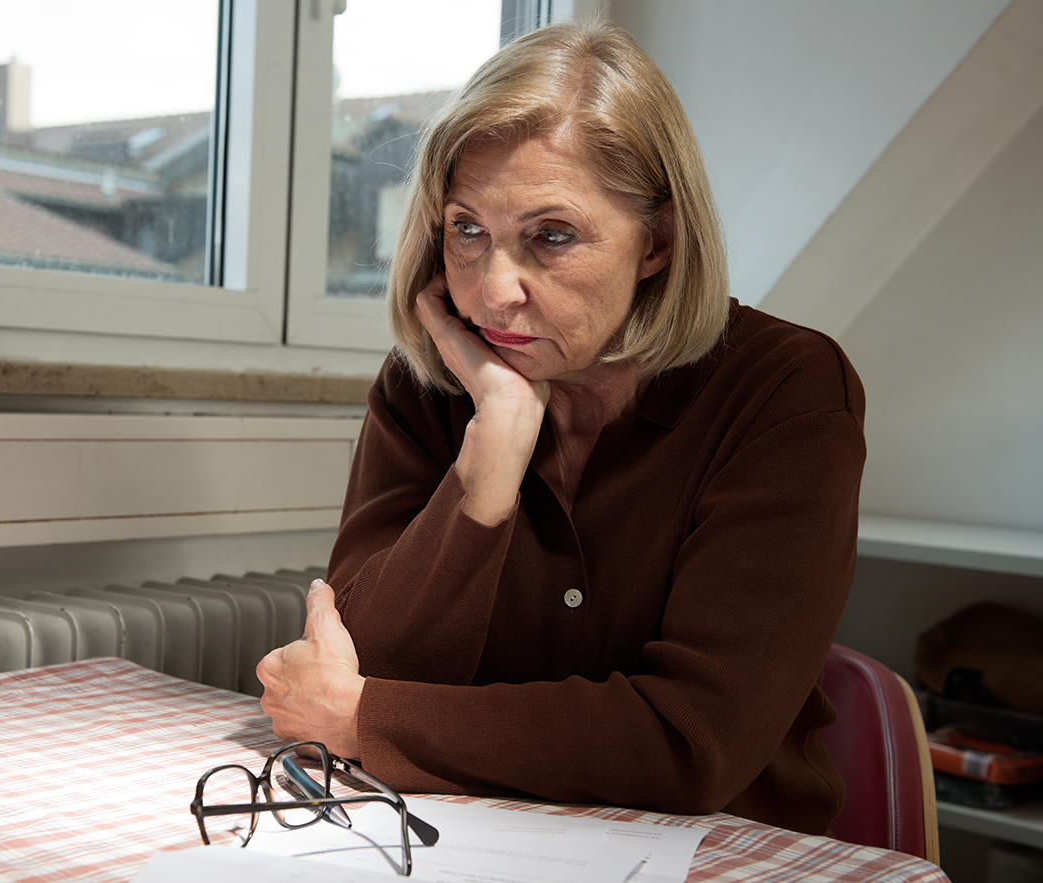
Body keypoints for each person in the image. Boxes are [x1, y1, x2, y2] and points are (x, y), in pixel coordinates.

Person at [256, 19, 865, 836]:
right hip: (471, 840)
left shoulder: (784, 389)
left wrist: (370, 718)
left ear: (656, 242)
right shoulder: (426, 386)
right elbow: (364, 662)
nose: (493, 290)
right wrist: (489, 464)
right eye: (467, 229)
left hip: (727, 851)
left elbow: (693, 742)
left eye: (550, 236)